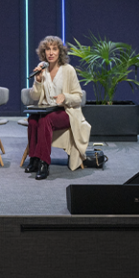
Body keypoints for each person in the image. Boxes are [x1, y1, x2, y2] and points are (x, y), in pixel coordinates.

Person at [24, 35, 91, 179]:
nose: (51, 52)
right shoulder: (43, 69)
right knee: (32, 120)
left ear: (60, 52)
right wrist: (38, 80)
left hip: (66, 111)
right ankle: (34, 158)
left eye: (54, 49)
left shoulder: (68, 70)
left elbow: (78, 97)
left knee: (45, 120)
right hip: (47, 109)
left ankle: (44, 163)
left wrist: (65, 97)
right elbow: (35, 97)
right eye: (48, 49)